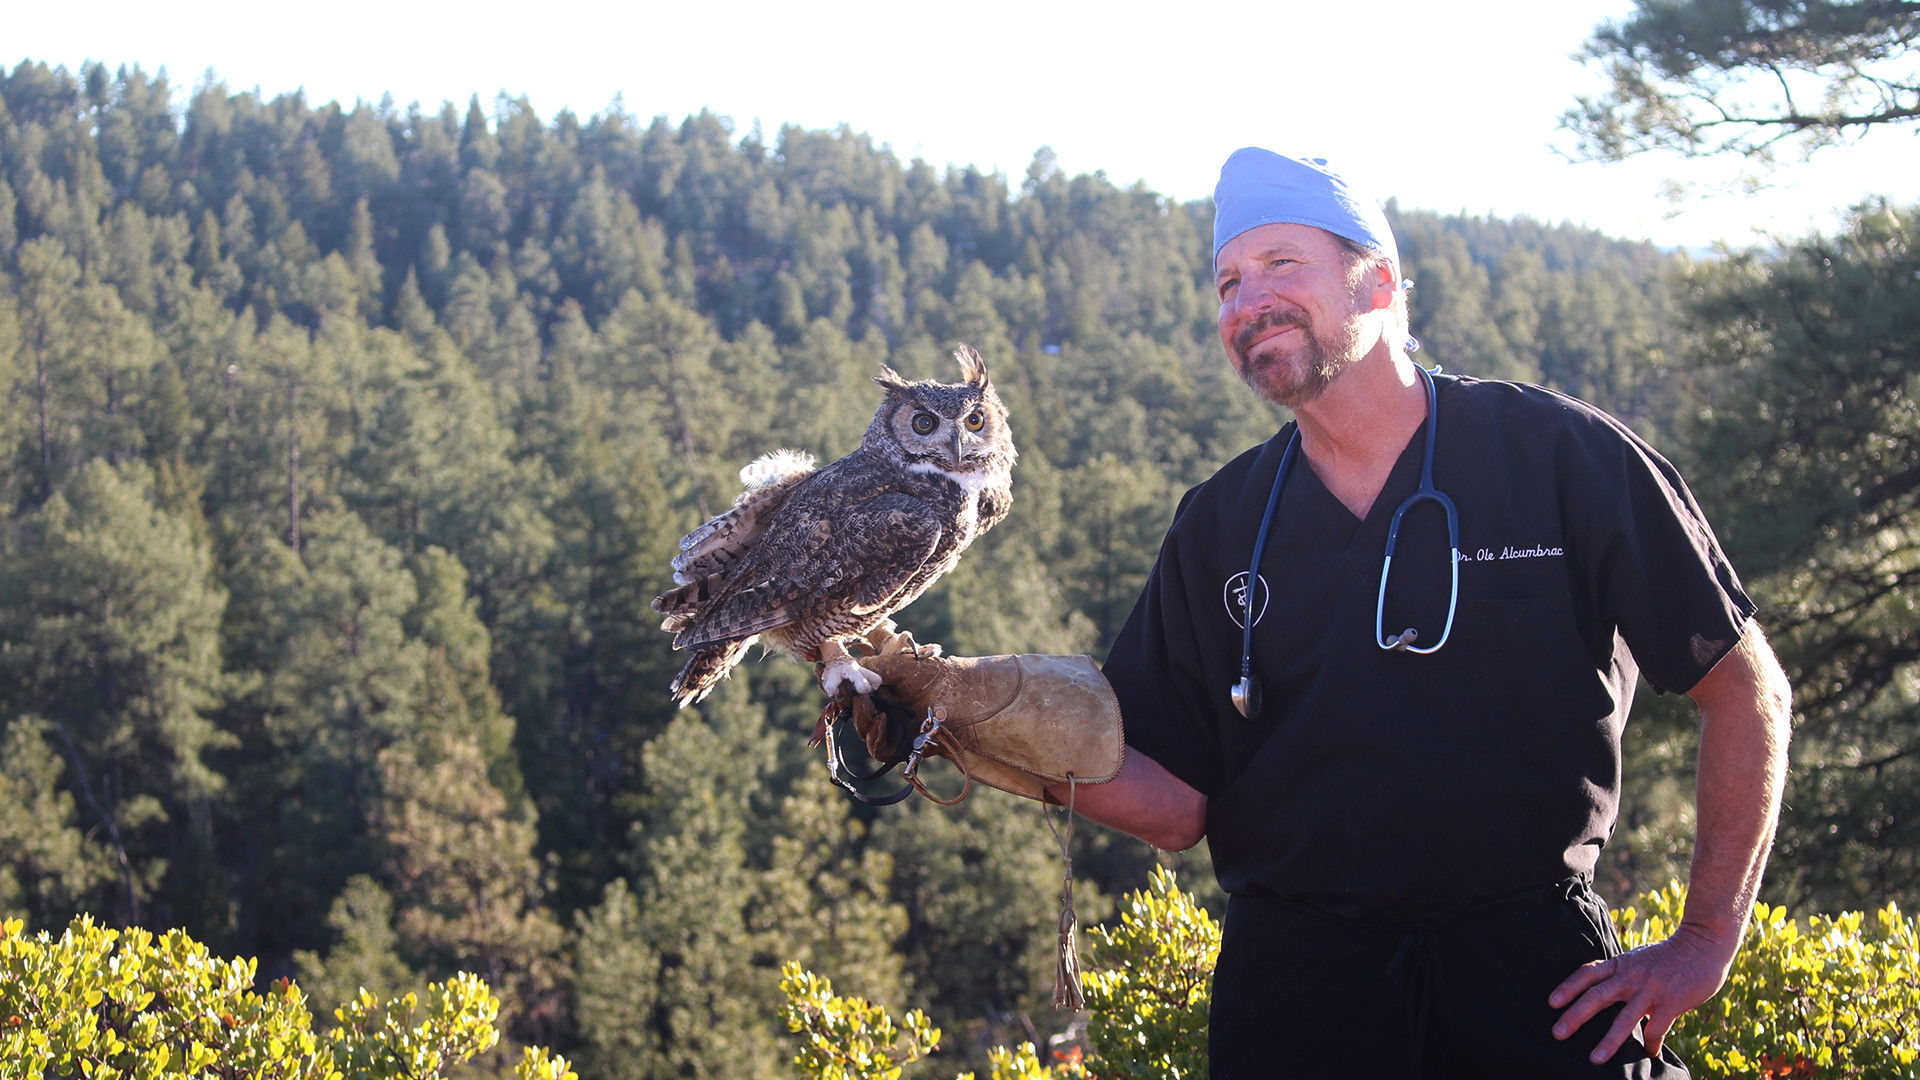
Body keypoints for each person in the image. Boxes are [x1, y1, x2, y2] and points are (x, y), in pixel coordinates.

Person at [858, 148, 1791, 1079]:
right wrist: (955, 722)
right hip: (1298, 1002)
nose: (1244, 300)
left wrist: (1705, 938)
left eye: (1278, 266)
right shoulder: (1222, 524)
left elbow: (1745, 691)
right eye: (1226, 282)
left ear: (1378, 282)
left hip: (1534, 985)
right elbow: (1175, 803)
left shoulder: (1559, 459)